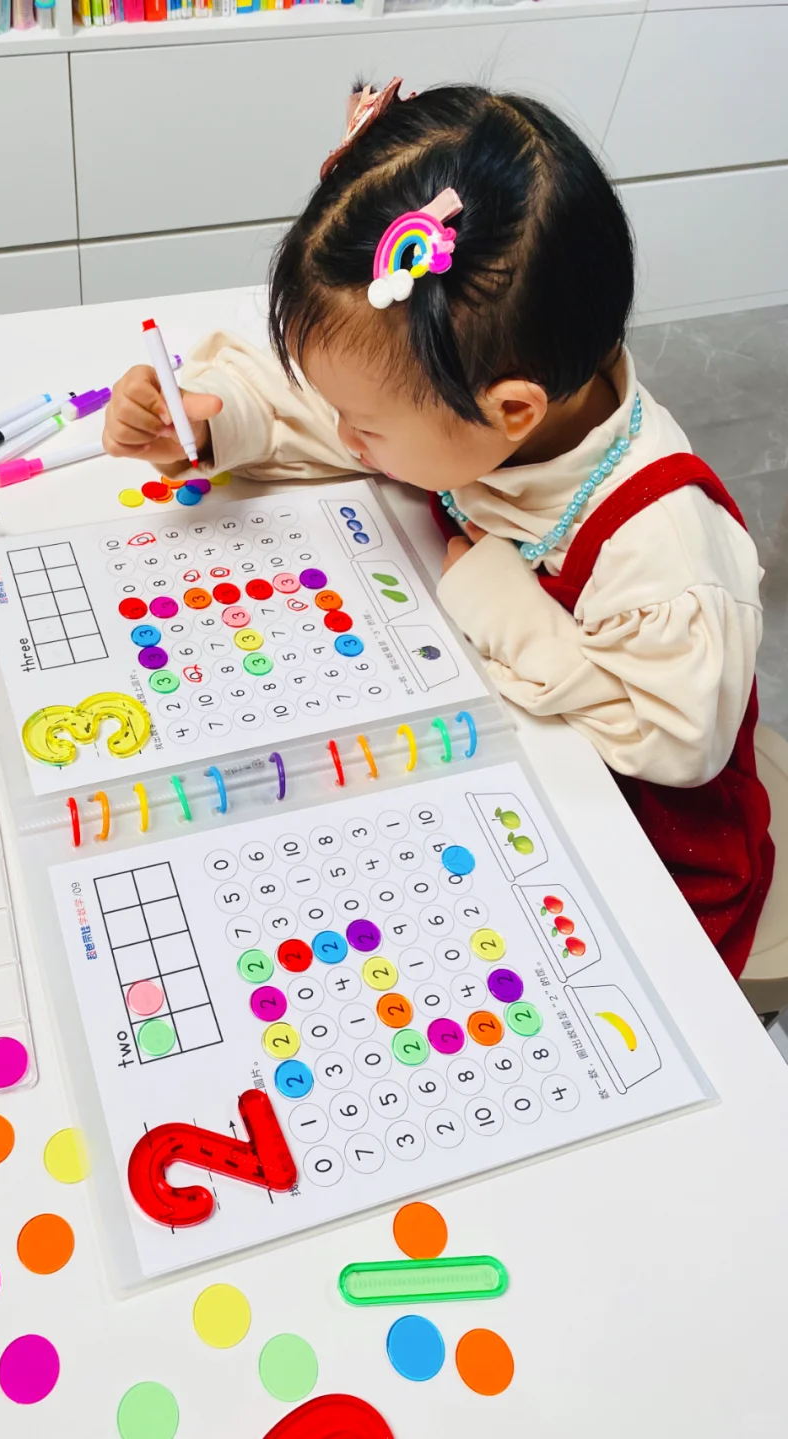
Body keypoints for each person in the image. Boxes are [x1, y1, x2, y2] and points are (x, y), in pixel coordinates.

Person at [102, 81, 772, 978]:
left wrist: (505, 608)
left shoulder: (665, 551)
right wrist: (209, 420)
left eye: (366, 427)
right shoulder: (469, 396)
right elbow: (326, 410)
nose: (348, 438)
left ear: (511, 411)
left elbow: (677, 740)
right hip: (508, 774)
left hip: (653, 856)